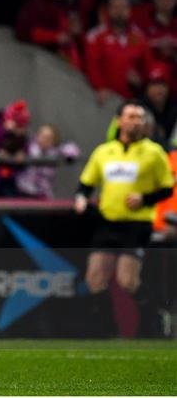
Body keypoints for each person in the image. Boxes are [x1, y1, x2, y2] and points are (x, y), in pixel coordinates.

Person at [74, 99, 174, 336]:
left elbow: (167, 188)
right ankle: (107, 330)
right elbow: (86, 184)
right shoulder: (104, 152)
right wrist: (80, 198)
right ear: (119, 121)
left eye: (139, 117)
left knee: (127, 280)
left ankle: (154, 321)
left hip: (137, 223)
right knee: (95, 279)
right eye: (131, 116)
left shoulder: (154, 152)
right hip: (108, 222)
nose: (136, 121)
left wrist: (145, 199)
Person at [84, 0, 153, 103]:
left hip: (131, 101)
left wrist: (140, 80)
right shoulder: (96, 36)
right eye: (115, 7)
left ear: (130, 10)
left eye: (123, 7)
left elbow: (147, 68)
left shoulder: (140, 38)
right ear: (109, 10)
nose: (119, 12)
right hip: (103, 99)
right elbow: (92, 67)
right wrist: (99, 87)